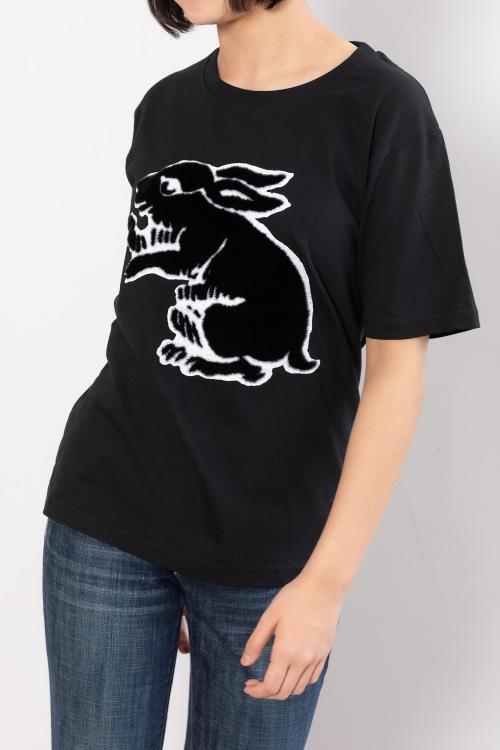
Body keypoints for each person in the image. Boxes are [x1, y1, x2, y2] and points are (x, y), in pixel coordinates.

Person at [42, 1, 481, 748]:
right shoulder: (166, 108)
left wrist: (325, 584)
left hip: (272, 557)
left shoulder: (384, 111)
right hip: (110, 518)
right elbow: (149, 310)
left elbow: (397, 372)